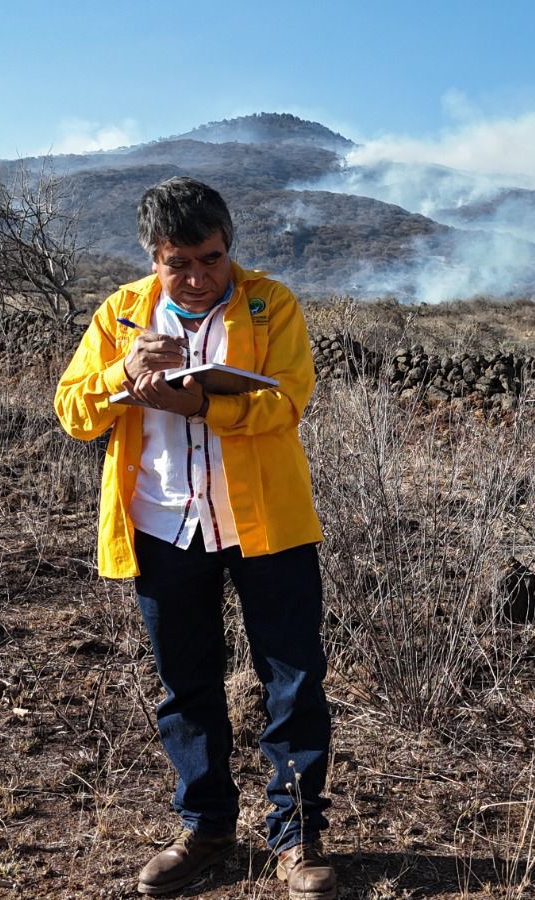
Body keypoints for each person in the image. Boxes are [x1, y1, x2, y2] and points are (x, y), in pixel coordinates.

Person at [55, 176, 337, 898]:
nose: (197, 276)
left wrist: (201, 404)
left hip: (265, 525)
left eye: (210, 258)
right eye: (178, 261)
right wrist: (124, 372)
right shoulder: (121, 315)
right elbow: (73, 412)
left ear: (228, 246)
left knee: (294, 681)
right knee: (186, 685)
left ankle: (296, 838)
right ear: (154, 256)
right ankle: (207, 829)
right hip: (163, 525)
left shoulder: (271, 305)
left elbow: (288, 399)